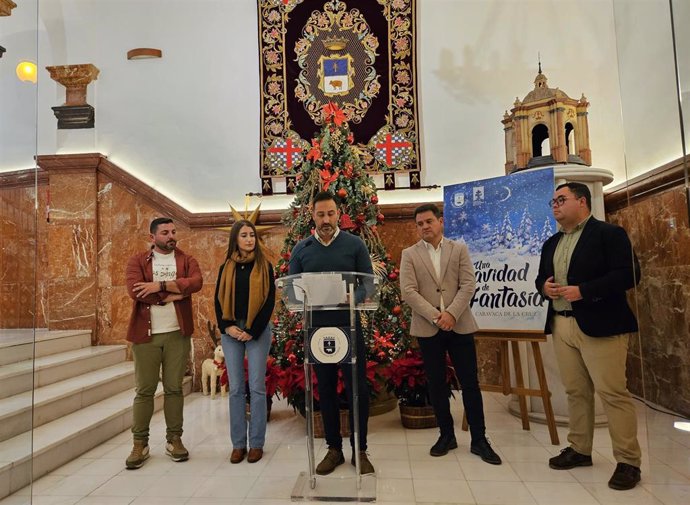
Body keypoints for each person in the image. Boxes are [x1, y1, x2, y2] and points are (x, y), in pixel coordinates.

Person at [536, 182, 642, 490]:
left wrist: (585, 291)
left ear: (582, 202)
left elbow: (629, 274)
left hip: (602, 325)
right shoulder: (551, 243)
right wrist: (544, 287)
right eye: (552, 201)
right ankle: (580, 449)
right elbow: (541, 277)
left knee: (612, 393)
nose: (555, 205)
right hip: (562, 324)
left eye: (561, 199)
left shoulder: (609, 234)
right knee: (575, 392)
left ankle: (628, 461)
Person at [400, 203, 502, 465]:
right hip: (428, 327)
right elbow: (408, 292)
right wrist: (436, 316)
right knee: (436, 384)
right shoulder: (409, 254)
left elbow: (468, 284)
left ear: (440, 221)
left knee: (470, 383)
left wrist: (451, 314)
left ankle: (479, 439)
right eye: (420, 223)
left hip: (459, 325)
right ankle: (446, 435)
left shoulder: (459, 249)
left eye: (429, 221)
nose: (424, 227)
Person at [288, 191, 375, 475]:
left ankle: (359, 450)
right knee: (324, 389)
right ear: (312, 215)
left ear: (339, 214)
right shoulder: (302, 249)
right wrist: (299, 295)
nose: (326, 220)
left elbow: (368, 285)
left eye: (331, 214)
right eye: (320, 214)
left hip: (349, 328)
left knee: (356, 390)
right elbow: (291, 290)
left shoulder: (355, 245)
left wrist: (355, 295)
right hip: (317, 331)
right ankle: (334, 449)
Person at [124, 217, 203, 469]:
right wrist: (174, 295)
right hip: (145, 335)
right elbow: (135, 290)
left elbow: (196, 282)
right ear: (152, 237)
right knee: (144, 391)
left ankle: (174, 439)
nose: (171, 236)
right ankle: (140, 444)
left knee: (174, 389)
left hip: (176, 334)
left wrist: (158, 286)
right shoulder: (138, 261)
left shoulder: (186, 259)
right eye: (165, 232)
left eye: (173, 231)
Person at [214, 219, 275, 464]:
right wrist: (227, 327)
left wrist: (252, 329)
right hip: (231, 331)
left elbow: (269, 301)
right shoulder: (225, 268)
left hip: (256, 331)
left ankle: (257, 444)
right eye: (244, 235)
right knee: (237, 389)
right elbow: (218, 301)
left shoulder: (264, 266)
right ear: (235, 240)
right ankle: (238, 444)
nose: (249, 239)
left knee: (257, 388)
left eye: (252, 235)